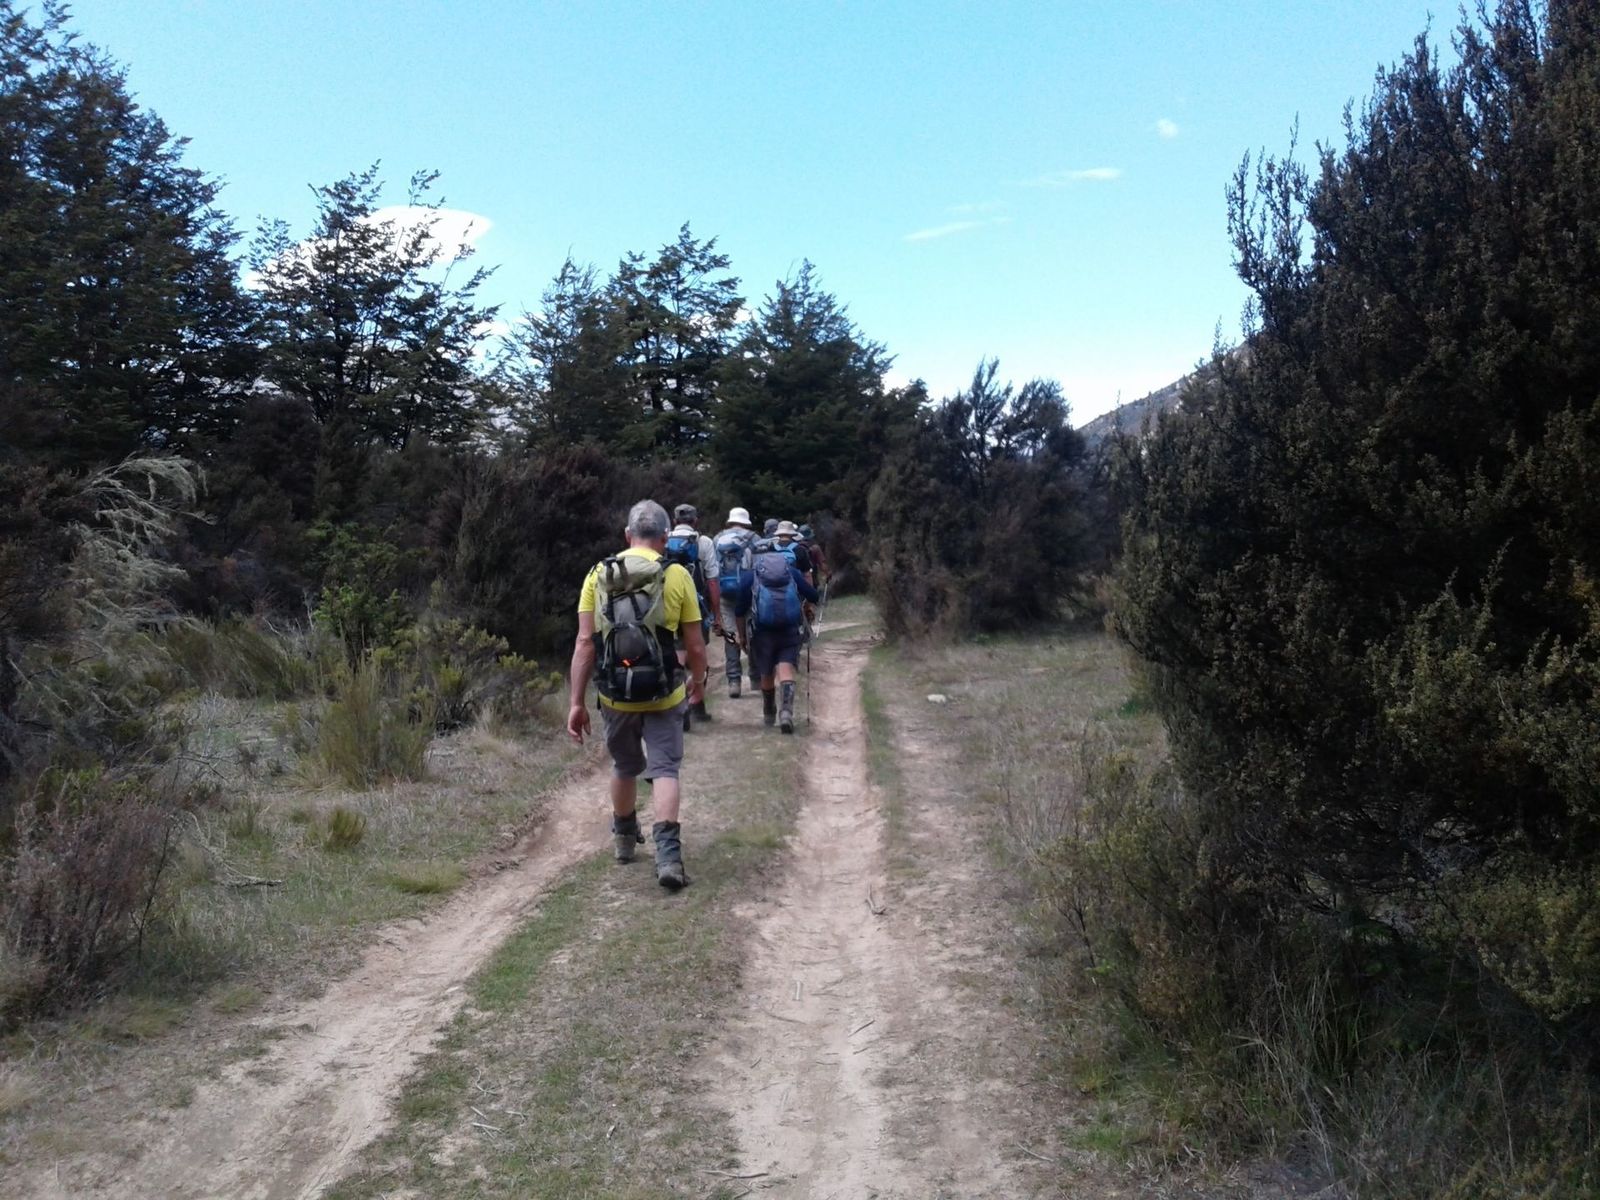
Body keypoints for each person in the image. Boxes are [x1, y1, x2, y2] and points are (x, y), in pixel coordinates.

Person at [567, 499, 706, 890]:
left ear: (627, 535)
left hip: (615, 694)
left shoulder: (598, 573)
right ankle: (669, 858)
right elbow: (695, 644)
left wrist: (576, 702)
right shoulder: (676, 574)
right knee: (664, 769)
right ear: (665, 537)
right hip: (664, 692)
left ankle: (625, 840)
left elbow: (585, 643)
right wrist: (698, 680)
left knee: (625, 765)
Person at [742, 521, 820, 734]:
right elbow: (813, 594)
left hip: (762, 632)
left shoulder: (751, 576)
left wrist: (742, 636)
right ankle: (786, 713)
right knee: (786, 668)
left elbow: (740, 610)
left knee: (766, 672)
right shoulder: (791, 572)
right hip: (788, 629)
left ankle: (769, 711)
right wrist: (804, 604)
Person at [666, 504, 721, 728]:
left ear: (674, 521)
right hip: (697, 607)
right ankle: (695, 703)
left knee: (678, 655)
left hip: (670, 605)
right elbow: (712, 581)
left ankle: (680, 708)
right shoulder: (704, 542)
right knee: (698, 655)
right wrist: (717, 614)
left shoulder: (664, 540)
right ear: (695, 521)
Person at [712, 507, 757, 698]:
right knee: (752, 633)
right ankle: (755, 678)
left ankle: (734, 682)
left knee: (730, 636)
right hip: (749, 592)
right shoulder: (753, 538)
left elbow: (712, 569)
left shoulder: (717, 539)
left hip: (725, 594)